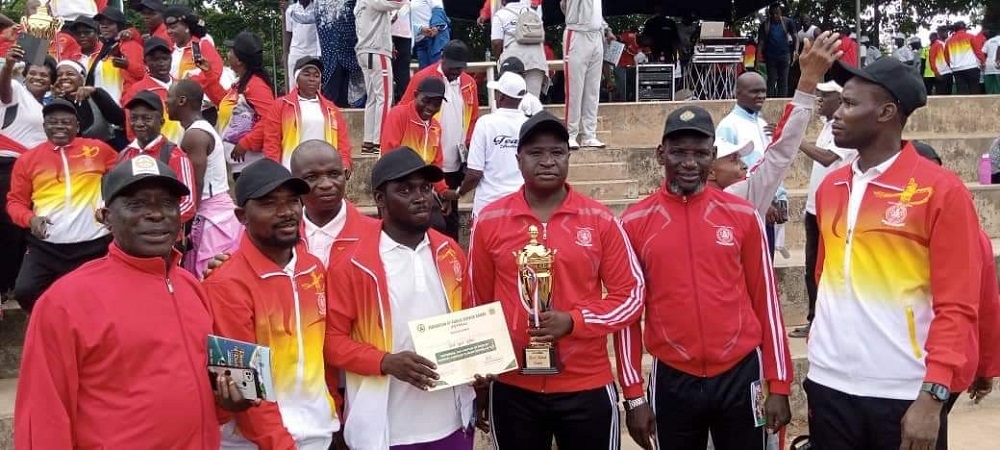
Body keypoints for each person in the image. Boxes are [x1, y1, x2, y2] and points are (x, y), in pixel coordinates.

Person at [13, 155, 252, 449]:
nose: (155, 214)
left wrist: (228, 401)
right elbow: (43, 418)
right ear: (106, 217)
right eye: (136, 204)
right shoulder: (65, 301)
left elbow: (200, 391)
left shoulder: (190, 285)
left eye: (167, 203)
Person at [805, 56, 983, 449]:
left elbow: (958, 305)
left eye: (850, 104)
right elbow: (823, 277)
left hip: (903, 390)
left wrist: (933, 395)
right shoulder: (831, 187)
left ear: (886, 113)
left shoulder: (941, 191)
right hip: (828, 384)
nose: (837, 113)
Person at [468, 111, 644, 449]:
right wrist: (481, 377)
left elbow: (631, 296)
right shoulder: (490, 221)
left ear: (568, 157)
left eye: (557, 152)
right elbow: (478, 302)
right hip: (512, 386)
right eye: (535, 153)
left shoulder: (600, 219)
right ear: (518, 160)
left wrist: (575, 321)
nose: (547, 161)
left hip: (586, 383)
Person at [325, 147, 477, 450]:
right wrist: (385, 362)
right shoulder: (353, 262)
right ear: (380, 200)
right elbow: (331, 341)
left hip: (452, 421)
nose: (420, 197)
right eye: (405, 190)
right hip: (386, 429)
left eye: (424, 188)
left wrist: (480, 365)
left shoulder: (450, 253)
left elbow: (469, 322)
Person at [203, 158, 339, 450]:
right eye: (269, 203)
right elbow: (242, 387)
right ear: (241, 216)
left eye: (293, 201)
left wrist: (334, 414)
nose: (286, 212)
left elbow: (322, 353)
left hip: (319, 432)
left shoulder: (312, 269)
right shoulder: (226, 285)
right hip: (257, 443)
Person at [911, 141, 1000, 432]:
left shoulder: (971, 238)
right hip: (948, 361)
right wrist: (986, 368)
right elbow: (988, 305)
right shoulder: (977, 237)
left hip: (928, 361)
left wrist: (986, 366)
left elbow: (985, 305)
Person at [6, 99, 116, 313]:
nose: (59, 127)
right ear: (44, 126)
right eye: (53, 122)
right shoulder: (28, 159)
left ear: (77, 126)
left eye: (66, 122)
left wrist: (109, 205)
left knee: (93, 298)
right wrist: (30, 219)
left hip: (92, 244)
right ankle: (48, 322)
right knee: (25, 291)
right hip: (46, 246)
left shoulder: (98, 149)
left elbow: (121, 175)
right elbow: (15, 202)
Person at [789, 80, 857, 339]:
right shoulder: (827, 126)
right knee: (811, 268)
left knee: (828, 267)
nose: (819, 99)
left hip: (834, 210)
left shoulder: (845, 129)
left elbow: (828, 157)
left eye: (825, 96)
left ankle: (826, 321)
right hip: (815, 207)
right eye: (817, 95)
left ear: (840, 100)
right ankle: (814, 319)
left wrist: (795, 140)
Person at [167, 79, 240, 277]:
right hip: (215, 209)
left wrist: (186, 224)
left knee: (209, 276)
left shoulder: (195, 135)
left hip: (210, 215)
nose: (166, 103)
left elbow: (195, 182)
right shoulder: (199, 130)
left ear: (182, 101)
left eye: (169, 98)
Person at [0, 48, 52, 303]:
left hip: (37, 172)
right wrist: (9, 66)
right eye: (33, 73)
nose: (38, 77)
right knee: (7, 226)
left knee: (24, 228)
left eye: (44, 74)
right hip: (8, 165)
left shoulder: (53, 104)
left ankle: (13, 281)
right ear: (25, 76)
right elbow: (4, 89)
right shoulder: (15, 91)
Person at [716, 71, 786, 258]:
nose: (761, 96)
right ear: (738, 93)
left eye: (763, 91)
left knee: (766, 265)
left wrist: (780, 198)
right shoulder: (728, 126)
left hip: (768, 209)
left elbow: (772, 165)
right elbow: (725, 173)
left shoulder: (763, 124)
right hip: (745, 210)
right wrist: (763, 202)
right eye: (755, 91)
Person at [448, 71, 528, 219]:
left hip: (489, 206)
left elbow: (474, 174)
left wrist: (459, 192)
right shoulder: (528, 125)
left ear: (501, 96)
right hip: (522, 204)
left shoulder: (486, 123)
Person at [259, 56, 352, 172]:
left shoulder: (331, 109)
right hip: (291, 170)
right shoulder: (281, 105)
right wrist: (274, 170)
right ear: (297, 78)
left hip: (324, 171)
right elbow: (272, 141)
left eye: (316, 76)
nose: (312, 79)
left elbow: (342, 141)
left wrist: (345, 162)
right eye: (307, 74)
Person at [120, 89, 196, 225]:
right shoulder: (125, 155)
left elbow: (188, 204)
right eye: (133, 118)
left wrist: (154, 224)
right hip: (131, 239)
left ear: (161, 122)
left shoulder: (175, 156)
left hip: (162, 239)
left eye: (146, 118)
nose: (138, 123)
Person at [206, 31, 275, 177]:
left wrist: (245, 143)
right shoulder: (241, 83)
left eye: (231, 50)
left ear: (239, 61)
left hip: (252, 163)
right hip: (241, 163)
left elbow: (269, 119)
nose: (228, 53)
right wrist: (208, 75)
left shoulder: (256, 85)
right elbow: (223, 103)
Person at [562, 0, 615, 149]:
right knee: (574, 89)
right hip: (577, 33)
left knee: (593, 89)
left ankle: (589, 135)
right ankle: (570, 134)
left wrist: (606, 29)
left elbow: (596, 13)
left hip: (596, 35)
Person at [355, 0, 403, 155]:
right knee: (384, 97)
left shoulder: (361, 3)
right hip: (377, 51)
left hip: (365, 51)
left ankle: (369, 142)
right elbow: (398, 2)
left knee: (373, 98)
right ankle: (381, 141)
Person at [121, 37, 183, 144]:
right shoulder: (137, 91)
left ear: (171, 59)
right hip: (157, 152)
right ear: (146, 62)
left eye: (165, 58)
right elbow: (132, 130)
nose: (161, 63)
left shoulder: (182, 86)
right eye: (155, 59)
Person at [53, 59, 126, 147]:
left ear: (82, 77)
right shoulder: (56, 103)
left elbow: (119, 119)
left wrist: (96, 92)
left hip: (105, 152)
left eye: (70, 74)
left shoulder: (96, 95)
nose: (63, 77)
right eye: (59, 75)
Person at [163, 5, 223, 107]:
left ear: (187, 27)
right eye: (167, 28)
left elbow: (215, 71)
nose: (169, 31)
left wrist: (190, 81)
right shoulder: (169, 49)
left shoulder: (201, 45)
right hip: (174, 107)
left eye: (173, 27)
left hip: (201, 109)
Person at [491, 0, 548, 98]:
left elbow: (496, 42)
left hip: (513, 62)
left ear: (503, 1)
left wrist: (498, 58)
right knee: (532, 102)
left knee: (513, 101)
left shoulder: (500, 15)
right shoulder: (534, 13)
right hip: (536, 61)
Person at [90, 6, 145, 104]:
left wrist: (128, 65)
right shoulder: (104, 47)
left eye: (110, 23)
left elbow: (142, 73)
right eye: (102, 23)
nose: (104, 26)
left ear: (119, 26)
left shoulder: (130, 45)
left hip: (120, 105)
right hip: (101, 106)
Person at [757, 3, 797, 97]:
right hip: (771, 57)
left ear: (780, 13)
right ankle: (770, 102)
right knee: (771, 80)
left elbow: (795, 36)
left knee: (783, 81)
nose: (775, 16)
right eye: (773, 14)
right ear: (770, 14)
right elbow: (761, 43)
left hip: (784, 56)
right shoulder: (765, 25)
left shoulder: (787, 22)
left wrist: (796, 50)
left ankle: (782, 104)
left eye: (777, 13)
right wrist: (757, 60)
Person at [284, 0, 320, 91]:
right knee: (293, 86)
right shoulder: (290, 9)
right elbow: (288, 32)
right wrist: (285, 52)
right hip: (296, 51)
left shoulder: (317, 8)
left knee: (314, 86)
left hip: (313, 51)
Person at [945, 21, 985, 95]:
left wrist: (951, 66)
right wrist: (983, 62)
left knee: (961, 91)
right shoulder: (970, 36)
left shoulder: (949, 41)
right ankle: (974, 106)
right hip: (971, 67)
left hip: (957, 69)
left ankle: (963, 106)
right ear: (965, 28)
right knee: (974, 89)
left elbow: (946, 57)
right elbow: (978, 52)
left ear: (955, 29)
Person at [410, 0, 451, 68]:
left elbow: (438, 8)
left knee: (437, 71)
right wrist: (420, 29)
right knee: (425, 74)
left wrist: (435, 26)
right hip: (420, 41)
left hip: (434, 38)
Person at [389, 2, 412, 104]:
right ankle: (392, 101)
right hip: (387, 33)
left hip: (404, 34)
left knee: (402, 72)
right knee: (387, 71)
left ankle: (404, 102)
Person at [929, 28, 952, 95]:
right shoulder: (935, 45)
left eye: (946, 32)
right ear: (939, 34)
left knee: (949, 95)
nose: (946, 34)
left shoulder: (946, 43)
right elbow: (932, 60)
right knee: (941, 95)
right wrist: (936, 73)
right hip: (941, 74)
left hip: (949, 72)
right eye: (944, 32)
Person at [983, 29, 1000, 94]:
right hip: (998, 65)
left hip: (988, 66)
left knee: (989, 90)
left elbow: (983, 53)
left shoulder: (988, 41)